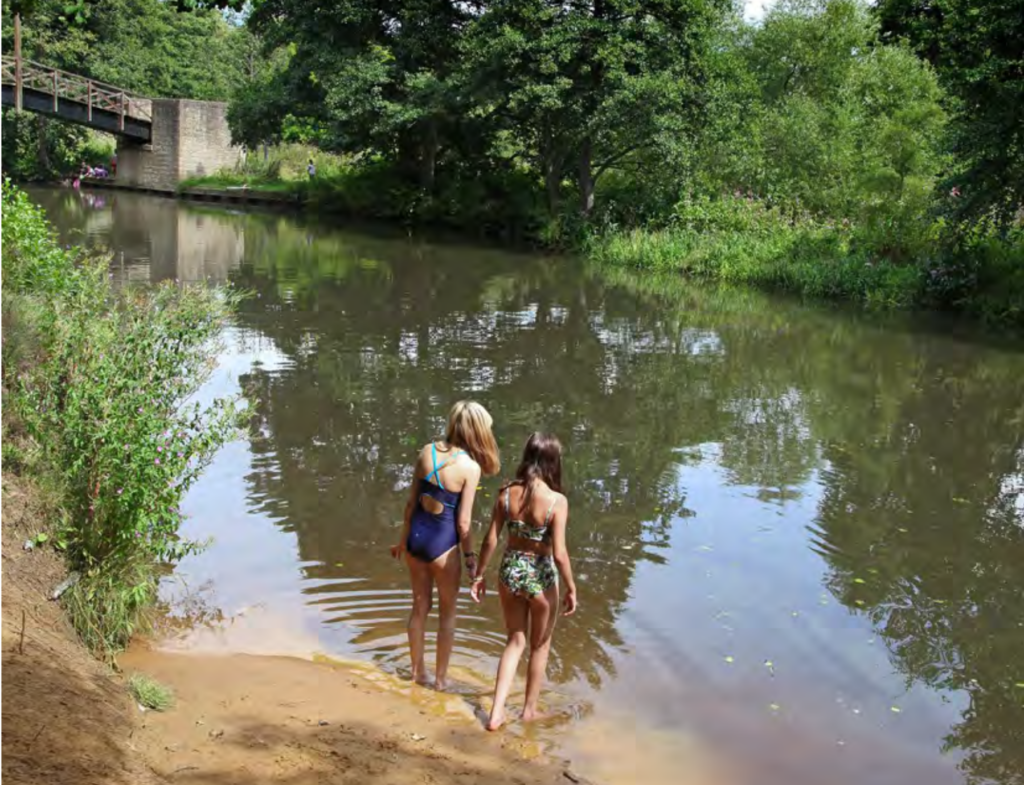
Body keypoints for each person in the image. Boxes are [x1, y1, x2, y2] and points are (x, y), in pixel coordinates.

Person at [391, 401, 500, 690]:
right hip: (443, 546)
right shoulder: (470, 467)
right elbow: (463, 524)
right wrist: (470, 559)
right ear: (478, 431)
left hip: (416, 539)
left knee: (419, 608)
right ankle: (439, 681)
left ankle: (417, 674)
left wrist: (402, 541)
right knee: (447, 615)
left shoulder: (426, 451)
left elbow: (411, 503)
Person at [471, 432, 577, 731]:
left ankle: (495, 713)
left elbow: (491, 539)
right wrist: (571, 587)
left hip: (510, 571)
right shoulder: (557, 501)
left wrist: (479, 575)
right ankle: (529, 712)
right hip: (541, 576)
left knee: (514, 641)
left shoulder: (506, 493)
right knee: (539, 646)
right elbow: (559, 553)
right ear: (553, 462)